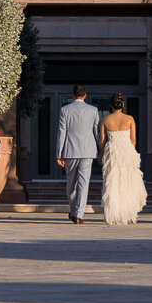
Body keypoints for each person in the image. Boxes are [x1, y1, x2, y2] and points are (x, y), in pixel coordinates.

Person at [99, 93, 147, 226]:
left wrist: (100, 154)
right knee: (127, 181)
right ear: (123, 104)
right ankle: (126, 211)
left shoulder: (105, 120)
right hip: (126, 151)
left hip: (112, 152)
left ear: (111, 105)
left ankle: (114, 214)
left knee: (113, 181)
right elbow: (133, 140)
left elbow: (102, 141)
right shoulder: (129, 119)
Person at [56, 83, 99, 225]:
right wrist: (100, 149)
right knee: (83, 183)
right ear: (85, 95)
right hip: (88, 150)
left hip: (70, 150)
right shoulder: (93, 110)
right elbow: (96, 132)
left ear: (73, 95)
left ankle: (75, 211)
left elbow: (62, 132)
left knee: (71, 183)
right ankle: (79, 214)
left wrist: (59, 153)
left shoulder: (65, 110)